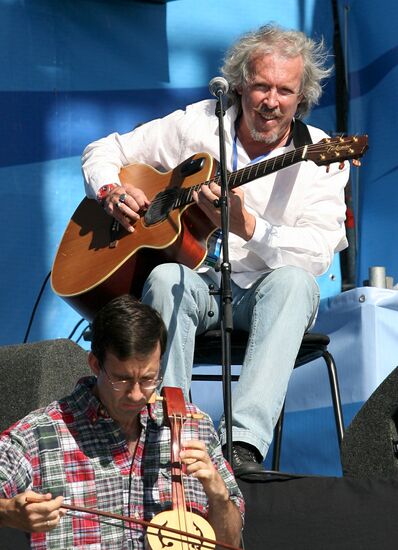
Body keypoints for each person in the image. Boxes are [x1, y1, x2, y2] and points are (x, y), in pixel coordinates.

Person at [81, 24, 349, 475]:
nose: (271, 101)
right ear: (240, 85)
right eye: (261, 86)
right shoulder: (199, 124)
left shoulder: (323, 154)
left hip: (265, 292)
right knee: (166, 276)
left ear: (301, 96)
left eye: (285, 90)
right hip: (199, 283)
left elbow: (317, 254)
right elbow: (104, 149)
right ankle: (167, 435)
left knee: (296, 284)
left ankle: (240, 446)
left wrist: (251, 227)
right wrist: (112, 191)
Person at [0, 296, 243, 549]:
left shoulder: (195, 426)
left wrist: (218, 495)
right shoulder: (40, 434)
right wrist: (8, 511)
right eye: (122, 379)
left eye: (149, 378)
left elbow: (231, 541)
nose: (137, 394)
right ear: (95, 364)